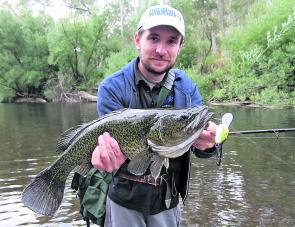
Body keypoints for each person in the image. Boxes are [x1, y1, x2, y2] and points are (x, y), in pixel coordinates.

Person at [91, 4, 217, 227]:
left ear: (180, 46)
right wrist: (106, 157)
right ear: (138, 40)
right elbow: (111, 155)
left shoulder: (187, 90)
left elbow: (199, 146)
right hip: (124, 199)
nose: (161, 49)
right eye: (154, 38)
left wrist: (208, 144)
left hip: (167, 200)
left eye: (171, 41)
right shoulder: (112, 88)